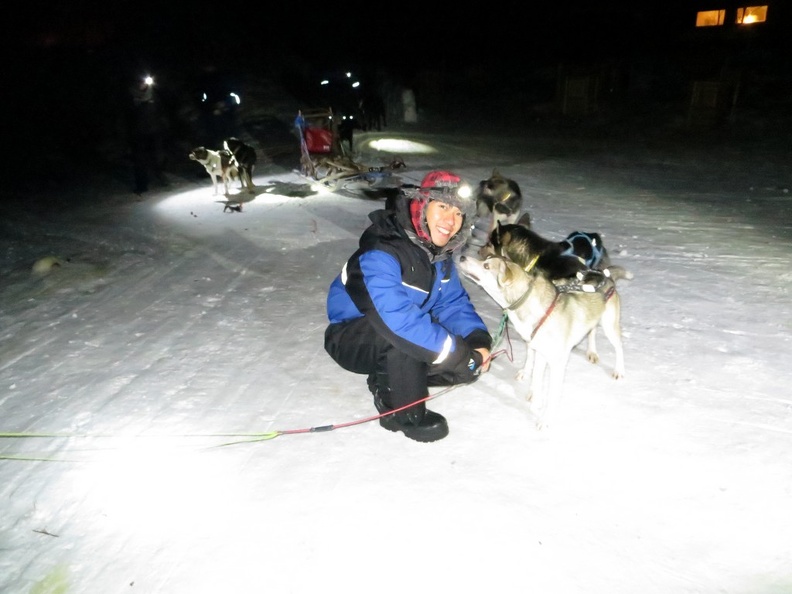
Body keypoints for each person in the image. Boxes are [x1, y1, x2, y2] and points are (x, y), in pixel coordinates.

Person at [324, 170, 492, 442]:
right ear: (422, 206)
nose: (451, 220)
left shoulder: (440, 256)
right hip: (352, 337)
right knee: (408, 338)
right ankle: (401, 412)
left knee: (461, 364)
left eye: (459, 213)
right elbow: (397, 320)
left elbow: (452, 303)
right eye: (443, 207)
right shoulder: (381, 252)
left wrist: (475, 339)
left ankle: (387, 377)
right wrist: (458, 354)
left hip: (394, 331)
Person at [126, 75, 166, 195]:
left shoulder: (153, 95)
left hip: (154, 131)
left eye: (144, 82)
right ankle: (142, 184)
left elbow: (161, 111)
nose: (142, 85)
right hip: (138, 132)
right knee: (139, 159)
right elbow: (125, 116)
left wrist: (162, 125)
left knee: (156, 156)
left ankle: (160, 177)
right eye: (140, 82)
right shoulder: (130, 96)